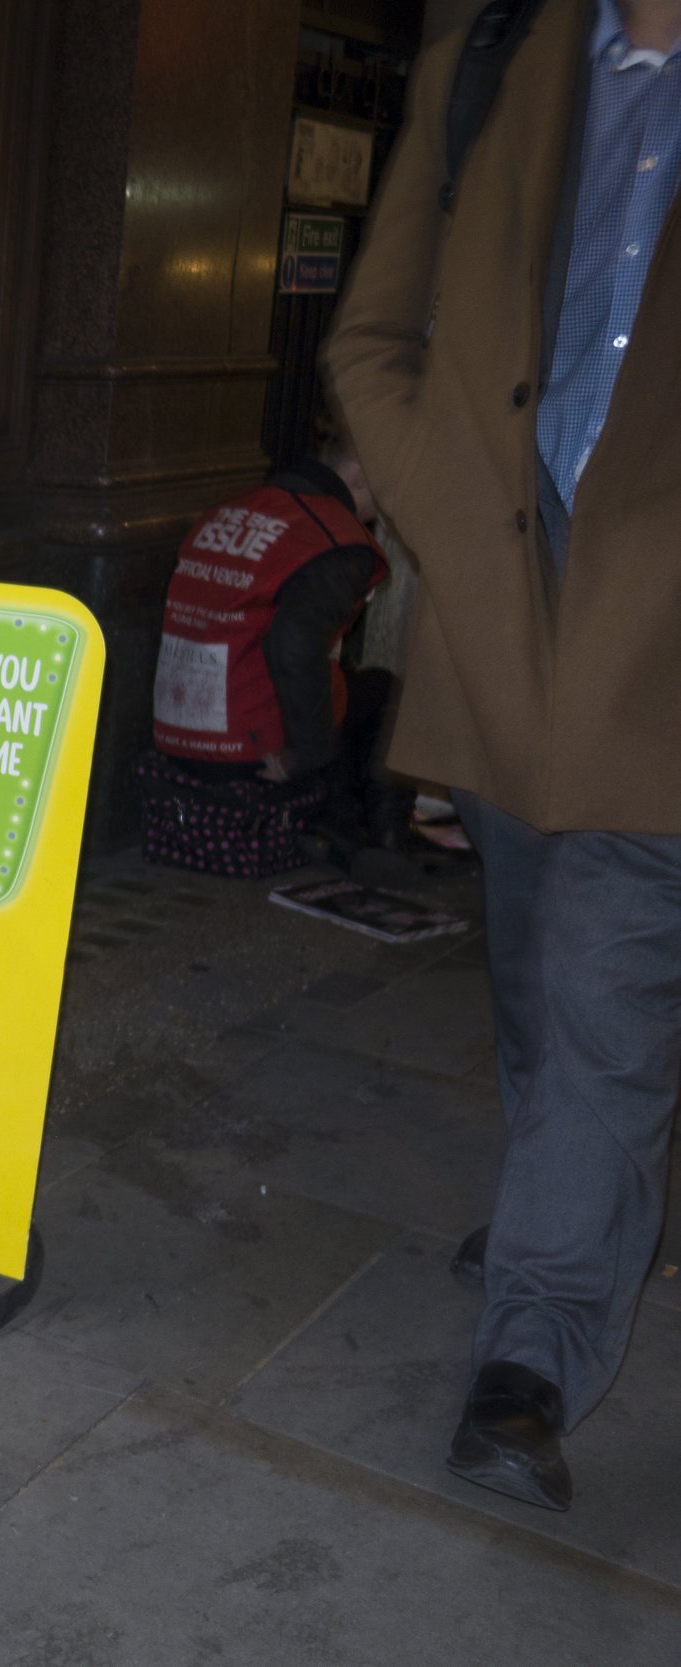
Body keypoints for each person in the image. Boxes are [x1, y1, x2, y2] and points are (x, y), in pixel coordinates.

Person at [323, 0, 681, 1513]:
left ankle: (527, 1358)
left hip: (659, 655)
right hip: (496, 620)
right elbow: (375, 331)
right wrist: (450, 519)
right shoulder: (490, 53)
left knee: (608, 991)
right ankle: (567, 1200)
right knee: (540, 969)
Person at [149, 439, 404, 864]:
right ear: (360, 477)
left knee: (336, 686)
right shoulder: (333, 538)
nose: (383, 508)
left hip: (176, 737)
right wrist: (306, 754)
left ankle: (337, 822)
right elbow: (294, 648)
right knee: (385, 693)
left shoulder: (230, 510)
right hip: (251, 754)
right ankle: (386, 844)